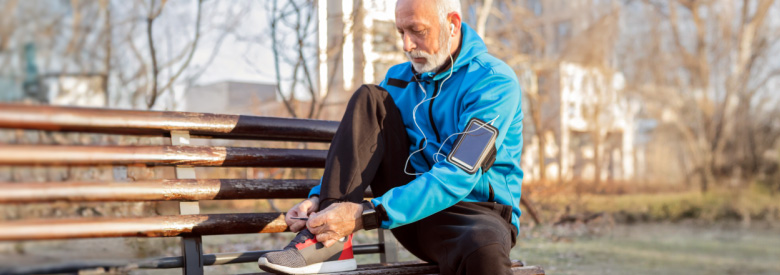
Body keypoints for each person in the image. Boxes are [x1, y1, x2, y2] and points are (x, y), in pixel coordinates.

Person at [258, 0, 523, 274]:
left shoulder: (493, 83)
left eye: (417, 31)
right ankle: (328, 243)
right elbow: (359, 146)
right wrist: (319, 201)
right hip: (412, 219)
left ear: (452, 24)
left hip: (472, 218)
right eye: (401, 32)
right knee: (370, 99)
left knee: (483, 249)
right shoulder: (398, 79)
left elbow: (460, 172)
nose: (407, 45)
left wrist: (369, 214)